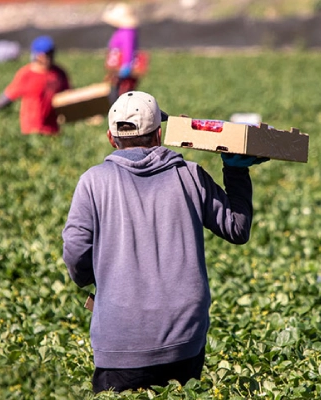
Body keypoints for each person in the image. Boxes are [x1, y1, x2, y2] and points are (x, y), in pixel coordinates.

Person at [62, 91, 266, 393]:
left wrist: (100, 280)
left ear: (110, 137)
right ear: (159, 134)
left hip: (119, 344)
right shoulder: (190, 175)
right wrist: (236, 171)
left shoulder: (93, 181)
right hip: (184, 343)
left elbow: (75, 252)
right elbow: (237, 228)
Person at [0, 35, 70, 135]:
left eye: (51, 53)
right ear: (37, 55)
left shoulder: (59, 73)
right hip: (32, 129)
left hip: (53, 129)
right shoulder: (26, 74)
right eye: (46, 54)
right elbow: (8, 96)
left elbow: (68, 96)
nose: (49, 58)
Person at [103, 3, 144, 104]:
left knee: (121, 95)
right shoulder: (122, 31)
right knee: (116, 93)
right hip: (117, 69)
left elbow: (128, 49)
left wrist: (126, 66)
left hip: (124, 70)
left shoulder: (127, 32)